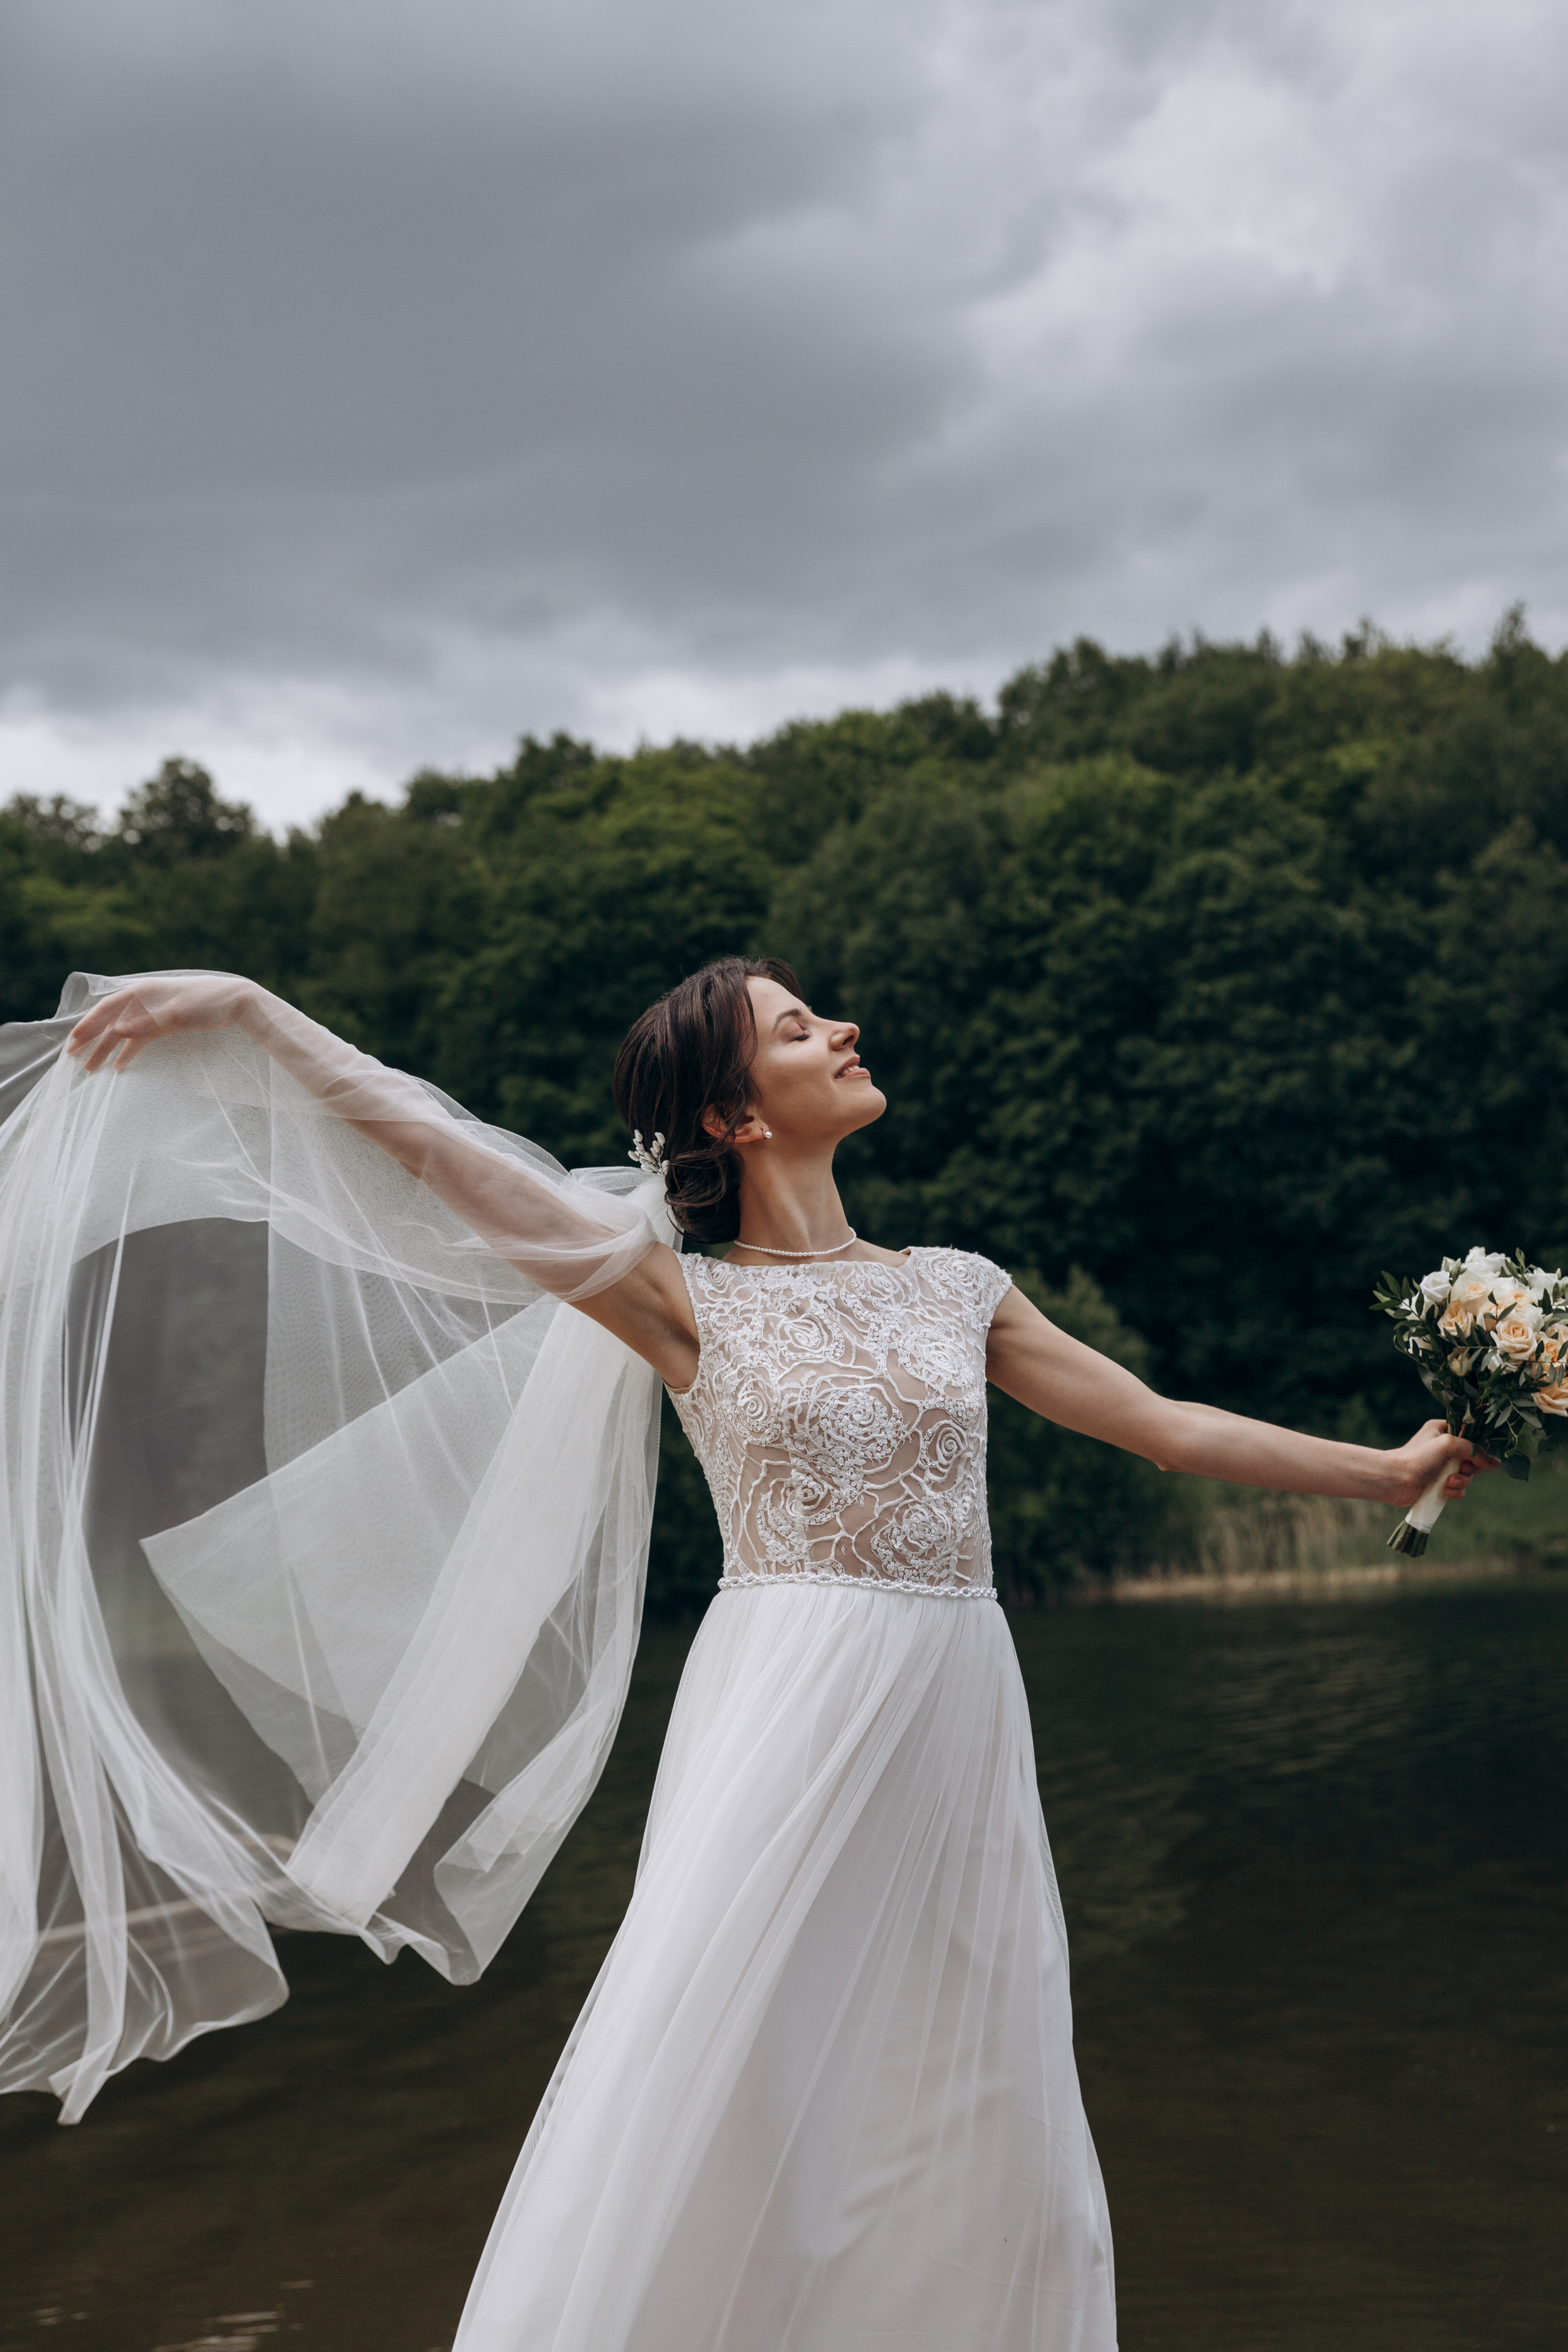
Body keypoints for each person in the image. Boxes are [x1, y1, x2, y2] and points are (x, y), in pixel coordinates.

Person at [4, 957, 1485, 2350]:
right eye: (795, 1028)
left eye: (818, 1016)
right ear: (733, 1114)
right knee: (706, 2038)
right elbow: (437, 1156)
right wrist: (261, 1018)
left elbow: (1159, 1427)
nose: (839, 1029)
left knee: (969, 2051)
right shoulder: (675, 1297)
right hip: (786, 1691)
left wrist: (1381, 1469)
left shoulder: (957, 1285)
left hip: (955, 1700)